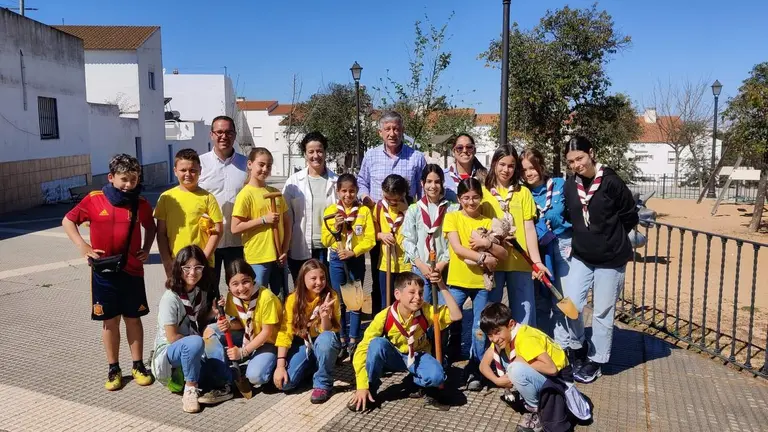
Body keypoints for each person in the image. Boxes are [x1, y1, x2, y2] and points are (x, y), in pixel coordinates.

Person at [62, 154, 156, 391]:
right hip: (103, 271)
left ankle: (138, 365)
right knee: (109, 321)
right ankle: (114, 368)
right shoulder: (94, 199)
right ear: (111, 177)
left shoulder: (140, 203)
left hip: (132, 271)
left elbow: (151, 227)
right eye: (124, 179)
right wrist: (83, 247)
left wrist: (145, 249)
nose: (129, 184)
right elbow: (68, 221)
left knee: (133, 319)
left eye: (133, 179)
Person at [561, 136, 638, 384]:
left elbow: (630, 216)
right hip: (582, 256)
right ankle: (578, 346)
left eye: (580, 158)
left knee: (602, 312)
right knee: (571, 303)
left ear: (591, 153)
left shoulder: (611, 182)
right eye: (571, 161)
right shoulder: (571, 184)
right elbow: (568, 215)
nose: (576, 165)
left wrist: (610, 238)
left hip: (610, 259)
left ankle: (597, 360)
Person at [348, 272, 463, 411]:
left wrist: (441, 285)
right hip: (393, 357)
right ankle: (370, 391)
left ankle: (417, 382)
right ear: (397, 294)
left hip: (418, 356)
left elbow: (456, 315)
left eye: (421, 293)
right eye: (412, 292)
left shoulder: (426, 311)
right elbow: (362, 349)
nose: (417, 298)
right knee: (376, 344)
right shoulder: (385, 316)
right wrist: (362, 385)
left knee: (437, 377)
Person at [443, 178, 509, 390]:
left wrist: (488, 245)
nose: (471, 202)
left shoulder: (489, 222)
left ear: (481, 197)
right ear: (459, 199)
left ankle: (477, 369)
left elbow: (502, 253)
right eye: (466, 198)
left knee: (480, 329)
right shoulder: (452, 218)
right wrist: (483, 258)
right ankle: (440, 361)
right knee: (446, 318)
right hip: (457, 281)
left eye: (475, 197)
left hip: (482, 283)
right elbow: (457, 248)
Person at [357, 111, 427, 314]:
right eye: (387, 129)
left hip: (406, 222)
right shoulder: (370, 156)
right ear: (380, 132)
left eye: (396, 128)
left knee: (407, 279)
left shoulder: (416, 157)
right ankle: (383, 318)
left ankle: (409, 317)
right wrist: (366, 199)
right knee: (381, 279)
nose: (392, 133)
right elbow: (362, 181)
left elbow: (422, 191)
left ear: (402, 130)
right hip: (380, 222)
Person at [150, 246, 233, 413]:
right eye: (186, 267)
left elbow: (196, 321)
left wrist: (212, 313)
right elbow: (172, 337)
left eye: (198, 267)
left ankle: (208, 380)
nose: (192, 272)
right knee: (195, 342)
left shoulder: (197, 292)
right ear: (178, 269)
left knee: (224, 375)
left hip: (191, 348)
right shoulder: (170, 298)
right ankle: (190, 389)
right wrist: (200, 344)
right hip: (169, 354)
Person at [483, 145, 548, 326]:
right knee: (491, 314)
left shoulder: (523, 193)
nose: (506, 170)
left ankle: (524, 352)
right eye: (502, 164)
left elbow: (529, 229)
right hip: (493, 261)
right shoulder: (483, 192)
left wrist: (536, 262)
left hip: (520, 261)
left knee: (525, 315)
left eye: (511, 166)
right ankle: (492, 352)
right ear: (494, 163)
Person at [478, 302, 569, 432]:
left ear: (511, 324)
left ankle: (537, 411)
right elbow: (483, 365)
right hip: (545, 376)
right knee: (507, 360)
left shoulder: (526, 338)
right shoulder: (504, 337)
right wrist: (498, 381)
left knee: (515, 368)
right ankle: (529, 395)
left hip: (559, 380)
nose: (494, 339)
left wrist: (522, 362)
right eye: (490, 335)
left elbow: (552, 369)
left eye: (497, 332)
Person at [205, 258, 283, 389]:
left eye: (245, 282)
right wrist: (229, 325)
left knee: (255, 376)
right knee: (210, 330)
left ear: (253, 279)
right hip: (248, 334)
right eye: (235, 284)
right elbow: (240, 323)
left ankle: (266, 362)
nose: (241, 288)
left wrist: (242, 352)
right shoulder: (232, 297)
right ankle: (223, 377)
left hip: (269, 342)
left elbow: (266, 332)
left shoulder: (266, 297)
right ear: (229, 286)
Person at [321, 174, 375, 361]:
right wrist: (336, 228)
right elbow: (325, 240)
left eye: (351, 190)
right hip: (337, 258)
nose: (348, 194)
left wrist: (355, 252)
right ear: (337, 192)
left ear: (357, 191)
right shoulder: (330, 211)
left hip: (355, 258)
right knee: (340, 302)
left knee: (355, 301)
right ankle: (342, 339)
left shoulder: (364, 212)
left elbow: (370, 239)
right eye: (343, 191)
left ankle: (353, 340)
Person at [273, 259, 342, 404]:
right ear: (303, 279)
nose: (319, 282)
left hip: (322, 340)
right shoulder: (293, 299)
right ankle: (313, 364)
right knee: (286, 384)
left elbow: (329, 333)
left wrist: (324, 317)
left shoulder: (331, 296)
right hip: (302, 342)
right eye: (313, 278)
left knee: (326, 341)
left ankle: (323, 383)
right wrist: (280, 366)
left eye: (322, 278)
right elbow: (285, 333)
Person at [521, 148, 572, 339]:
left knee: (562, 296)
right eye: (524, 170)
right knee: (540, 300)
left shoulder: (559, 185)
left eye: (532, 168)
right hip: (538, 251)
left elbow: (575, 211)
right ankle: (545, 344)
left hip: (562, 247)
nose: (528, 173)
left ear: (541, 166)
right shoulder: (523, 193)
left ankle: (564, 346)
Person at [231, 147, 292, 298]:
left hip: (278, 256)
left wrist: (284, 250)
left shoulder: (274, 192)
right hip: (258, 257)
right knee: (257, 298)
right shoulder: (245, 195)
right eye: (261, 164)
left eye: (269, 166)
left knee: (279, 297)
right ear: (250, 164)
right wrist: (263, 220)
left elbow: (287, 223)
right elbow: (235, 227)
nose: (265, 169)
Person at [155, 148, 223, 276]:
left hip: (203, 264)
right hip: (177, 263)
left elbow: (217, 231)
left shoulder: (208, 198)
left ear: (200, 171)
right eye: (183, 170)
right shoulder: (166, 198)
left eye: (193, 170)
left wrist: (203, 259)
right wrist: (167, 262)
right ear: (175, 171)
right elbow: (161, 234)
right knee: (178, 296)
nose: (188, 174)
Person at [198, 115, 249, 287]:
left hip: (237, 242)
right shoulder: (199, 164)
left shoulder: (246, 164)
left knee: (239, 288)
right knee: (207, 290)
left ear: (235, 135)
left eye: (228, 132)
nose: (224, 136)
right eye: (219, 132)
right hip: (208, 240)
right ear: (211, 134)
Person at [283, 132, 338, 282]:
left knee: (326, 290)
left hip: (328, 247)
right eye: (311, 152)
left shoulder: (337, 182)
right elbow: (286, 217)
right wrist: (284, 247)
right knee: (302, 292)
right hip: (300, 247)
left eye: (319, 151)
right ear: (305, 154)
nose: (316, 155)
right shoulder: (293, 182)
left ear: (325, 152)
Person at [402, 164, 459, 303]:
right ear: (422, 183)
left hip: (444, 267)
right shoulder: (414, 209)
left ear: (442, 183)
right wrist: (420, 264)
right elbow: (408, 240)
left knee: (443, 309)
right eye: (429, 181)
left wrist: (443, 263)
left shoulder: (451, 209)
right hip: (421, 268)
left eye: (437, 182)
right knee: (422, 307)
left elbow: (454, 241)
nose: (433, 186)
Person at [373, 174, 412, 310]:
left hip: (407, 264)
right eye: (387, 198)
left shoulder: (412, 205)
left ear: (404, 193)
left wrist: (406, 211)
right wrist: (382, 235)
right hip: (386, 263)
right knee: (387, 302)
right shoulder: (379, 207)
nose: (390, 202)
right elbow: (373, 234)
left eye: (394, 200)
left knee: (407, 301)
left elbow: (418, 230)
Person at [443, 133, 487, 200]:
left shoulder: (486, 178)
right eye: (459, 148)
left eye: (469, 147)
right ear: (453, 152)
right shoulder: (443, 177)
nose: (464, 150)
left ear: (474, 150)